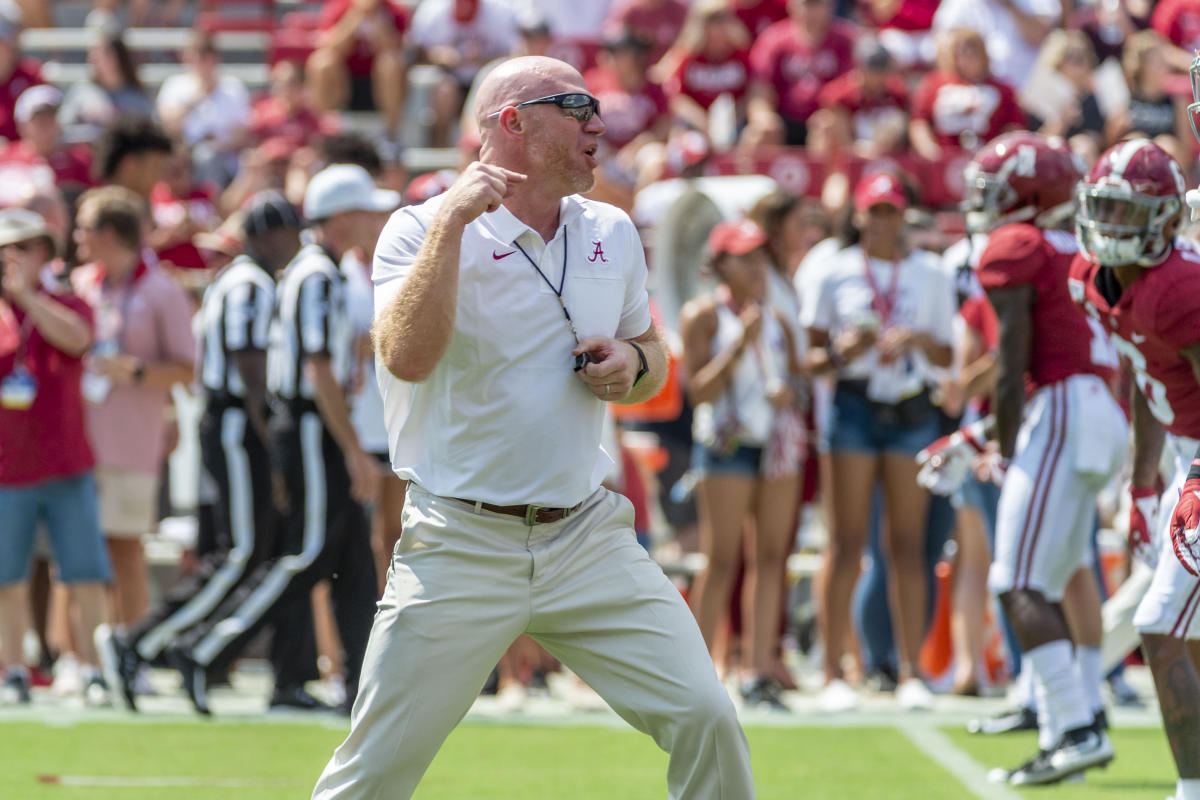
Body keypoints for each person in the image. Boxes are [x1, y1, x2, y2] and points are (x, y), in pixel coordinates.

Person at [312, 55, 754, 799]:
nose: (597, 124)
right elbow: (406, 359)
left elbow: (651, 359)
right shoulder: (419, 226)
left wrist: (629, 363)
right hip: (460, 544)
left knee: (708, 715)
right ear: (511, 122)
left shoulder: (611, 226)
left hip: (587, 536)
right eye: (576, 106)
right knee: (374, 772)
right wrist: (452, 222)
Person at [166, 165, 391, 715]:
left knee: (354, 563)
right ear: (341, 217)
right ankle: (205, 649)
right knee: (307, 552)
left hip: (319, 423)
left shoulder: (324, 271)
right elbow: (315, 370)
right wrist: (355, 449)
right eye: (366, 210)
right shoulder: (315, 273)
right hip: (312, 425)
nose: (377, 219)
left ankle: (360, 685)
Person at [95, 191, 302, 711]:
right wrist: (272, 443)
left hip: (228, 421)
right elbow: (252, 369)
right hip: (236, 421)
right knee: (239, 552)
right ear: (260, 238)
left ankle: (166, 645)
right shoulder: (250, 282)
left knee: (242, 550)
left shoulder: (238, 281)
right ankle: (143, 642)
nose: (291, 244)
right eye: (283, 234)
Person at [969, 132, 1122, 784]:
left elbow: (1010, 365)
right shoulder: (1075, 245)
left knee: (1016, 581)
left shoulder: (1019, 246)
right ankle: (1066, 733)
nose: (988, 199)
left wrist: (1002, 443)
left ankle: (1080, 724)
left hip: (1061, 407)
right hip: (1097, 408)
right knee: (1049, 579)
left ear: (1032, 189)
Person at [1072, 138, 1200, 800]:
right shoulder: (1094, 278)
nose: (1111, 227)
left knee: (1159, 624)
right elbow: (1150, 375)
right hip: (1185, 453)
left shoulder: (1181, 288)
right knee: (1183, 629)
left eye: (1127, 214)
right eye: (1105, 209)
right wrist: (1143, 482)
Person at [801, 171, 956, 712]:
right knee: (844, 542)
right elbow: (812, 357)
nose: (884, 221)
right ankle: (833, 672)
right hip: (855, 403)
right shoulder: (833, 269)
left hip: (911, 407)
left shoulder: (931, 274)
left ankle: (911, 671)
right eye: (876, 211)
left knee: (908, 545)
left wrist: (915, 339)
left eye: (893, 211)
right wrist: (846, 349)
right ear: (860, 215)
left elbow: (947, 356)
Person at [679, 219, 804, 710]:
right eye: (745, 257)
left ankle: (757, 670)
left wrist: (790, 391)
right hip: (726, 446)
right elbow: (698, 391)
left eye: (760, 257)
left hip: (771, 445)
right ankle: (698, 670)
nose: (756, 266)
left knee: (772, 557)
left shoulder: (778, 316)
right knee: (721, 557)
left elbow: (797, 382)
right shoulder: (704, 315)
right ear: (721, 263)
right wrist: (737, 344)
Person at [0, 208, 112, 706]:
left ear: (44, 252)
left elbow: (79, 339)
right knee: (6, 576)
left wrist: (27, 296)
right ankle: (12, 669)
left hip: (67, 463)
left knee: (85, 571)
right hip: (8, 468)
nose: (13, 260)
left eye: (23, 249)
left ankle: (93, 669)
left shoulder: (69, 303)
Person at [70, 187, 196, 629]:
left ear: (108, 232)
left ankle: (131, 651)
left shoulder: (162, 290)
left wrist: (136, 372)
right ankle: (76, 659)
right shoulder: (81, 282)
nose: (75, 235)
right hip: (75, 442)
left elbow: (187, 368)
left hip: (130, 442)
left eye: (83, 227)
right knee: (73, 556)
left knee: (125, 551)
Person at [909, 28, 1026, 161]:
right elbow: (920, 122)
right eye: (959, 53)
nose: (966, 59)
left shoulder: (1003, 89)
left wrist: (999, 156)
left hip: (986, 160)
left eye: (971, 52)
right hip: (945, 160)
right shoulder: (934, 83)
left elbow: (1013, 129)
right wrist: (932, 153)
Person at [155, 31, 251, 187]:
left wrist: (218, 143)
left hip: (225, 158)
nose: (202, 62)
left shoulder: (233, 88)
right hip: (183, 156)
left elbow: (242, 133)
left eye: (206, 55)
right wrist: (196, 98)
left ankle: (210, 205)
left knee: (209, 156)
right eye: (196, 56)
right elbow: (168, 125)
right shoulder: (174, 86)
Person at [305, 0, 408, 138]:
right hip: (344, 82)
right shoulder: (338, 7)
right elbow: (329, 48)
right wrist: (353, 19)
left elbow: (396, 49)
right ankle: (325, 133)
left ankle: (392, 135)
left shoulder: (395, 11)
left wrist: (378, 22)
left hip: (380, 85)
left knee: (390, 63)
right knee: (323, 63)